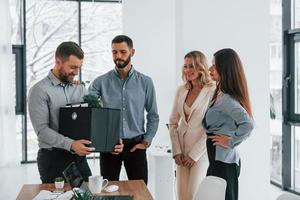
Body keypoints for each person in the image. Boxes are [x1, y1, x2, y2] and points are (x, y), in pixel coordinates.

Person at [28, 41, 123, 183]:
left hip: (79, 158)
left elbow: (92, 120)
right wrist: (71, 145)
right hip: (53, 158)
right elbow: (42, 130)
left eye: (79, 67)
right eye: (72, 67)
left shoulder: (80, 89)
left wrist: (109, 142)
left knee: (88, 195)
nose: (76, 72)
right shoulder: (39, 90)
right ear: (58, 62)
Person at [88, 35, 159, 184]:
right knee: (107, 191)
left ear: (132, 52)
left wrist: (146, 141)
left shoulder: (145, 82)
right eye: (114, 52)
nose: (118, 56)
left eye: (123, 52)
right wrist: (104, 142)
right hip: (109, 145)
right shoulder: (100, 82)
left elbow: (153, 115)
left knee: (140, 191)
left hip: (136, 146)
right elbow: (91, 112)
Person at [202, 48, 254, 200]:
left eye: (214, 66)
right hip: (217, 158)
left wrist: (231, 140)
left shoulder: (227, 99)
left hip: (223, 161)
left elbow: (247, 124)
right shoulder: (218, 92)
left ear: (225, 69)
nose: (210, 69)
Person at [168, 51, 215, 200]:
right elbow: (173, 122)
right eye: (185, 66)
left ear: (201, 67)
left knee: (194, 195)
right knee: (181, 195)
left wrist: (194, 155)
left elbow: (211, 128)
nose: (187, 70)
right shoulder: (182, 90)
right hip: (181, 151)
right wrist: (176, 151)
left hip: (200, 153)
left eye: (191, 66)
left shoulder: (212, 90)